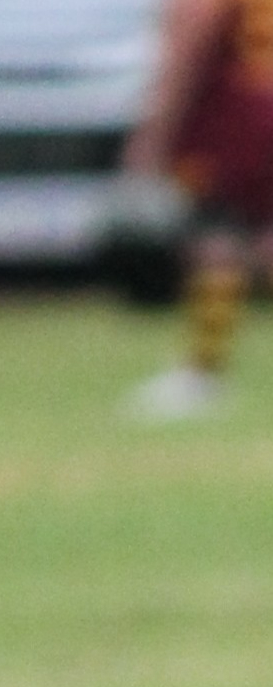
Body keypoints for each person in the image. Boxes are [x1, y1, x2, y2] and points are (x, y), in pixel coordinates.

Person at [124, 0, 273, 418]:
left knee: (215, 238)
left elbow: (186, 51)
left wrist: (152, 136)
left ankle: (202, 374)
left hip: (237, 118)